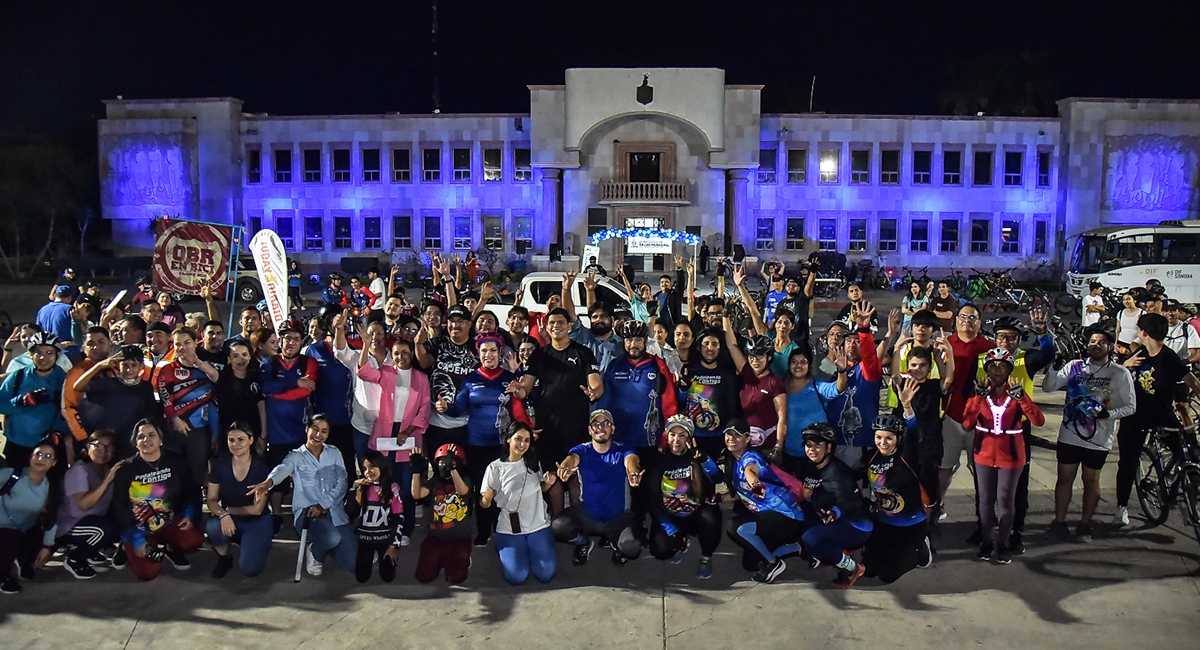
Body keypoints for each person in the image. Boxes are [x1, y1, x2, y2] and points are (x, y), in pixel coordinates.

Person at [1043, 327, 1135, 542]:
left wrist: (1107, 414)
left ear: (1110, 346)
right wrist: (1054, 368)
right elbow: (1048, 388)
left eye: (1100, 342)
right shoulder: (1074, 367)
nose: (1095, 345)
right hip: (1069, 435)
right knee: (1064, 479)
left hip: (1099, 439)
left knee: (1090, 480)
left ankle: (1085, 524)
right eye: (1092, 341)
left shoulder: (1120, 373)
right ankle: (1059, 521)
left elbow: (1131, 406)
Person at [438, 335, 529, 547]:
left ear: (500, 353)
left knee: (504, 488)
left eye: (493, 351)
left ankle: (502, 526)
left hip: (503, 445)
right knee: (482, 488)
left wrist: (519, 385)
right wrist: (445, 407)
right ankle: (483, 529)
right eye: (484, 351)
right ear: (479, 354)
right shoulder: (471, 380)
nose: (489, 355)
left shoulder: (509, 377)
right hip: (477, 444)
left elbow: (522, 399)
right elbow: (458, 408)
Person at [1112, 313, 1200, 526]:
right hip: (1135, 416)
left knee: (1187, 453)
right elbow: (1114, 379)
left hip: (1162, 414)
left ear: (1143, 332)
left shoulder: (1168, 357)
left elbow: (1192, 382)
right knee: (1128, 462)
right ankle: (1121, 507)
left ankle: (1188, 494)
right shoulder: (1138, 354)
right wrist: (1126, 365)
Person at [960, 348, 1045, 564]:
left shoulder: (1016, 391)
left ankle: (1003, 543)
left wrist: (1022, 397)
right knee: (986, 501)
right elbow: (967, 424)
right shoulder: (980, 390)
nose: (998, 369)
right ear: (987, 368)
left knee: (1006, 500)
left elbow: (1038, 420)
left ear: (1009, 369)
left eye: (1003, 365)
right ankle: (987, 541)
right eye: (993, 365)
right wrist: (978, 398)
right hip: (984, 453)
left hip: (1011, 455)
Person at [517, 307, 602, 513]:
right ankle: (557, 522)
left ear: (569, 326)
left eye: (560, 322)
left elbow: (596, 384)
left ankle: (577, 522)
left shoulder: (583, 352)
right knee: (552, 478)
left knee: (574, 480)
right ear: (546, 327)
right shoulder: (539, 356)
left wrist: (595, 392)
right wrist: (517, 390)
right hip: (548, 428)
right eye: (552, 323)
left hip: (576, 427)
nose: (556, 326)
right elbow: (525, 390)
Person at [249, 415, 356, 576]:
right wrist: (269, 482)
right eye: (315, 429)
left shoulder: (334, 453)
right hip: (308, 515)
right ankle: (315, 552)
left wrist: (324, 504)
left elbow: (342, 483)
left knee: (351, 564)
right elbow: (283, 468)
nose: (318, 435)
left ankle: (330, 546)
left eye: (324, 431)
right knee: (332, 537)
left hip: (335, 513)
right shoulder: (296, 456)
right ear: (307, 429)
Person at [355, 335, 429, 544]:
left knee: (406, 486)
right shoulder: (386, 372)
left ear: (411, 354)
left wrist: (407, 431)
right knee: (384, 484)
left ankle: (405, 529)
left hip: (409, 435)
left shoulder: (421, 378)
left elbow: (424, 409)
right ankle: (383, 526)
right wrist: (366, 346)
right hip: (385, 434)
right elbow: (363, 372)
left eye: (405, 352)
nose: (400, 356)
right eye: (396, 353)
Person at [114, 420, 204, 581]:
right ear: (135, 442)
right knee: (149, 573)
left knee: (194, 540)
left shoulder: (176, 461)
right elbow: (119, 507)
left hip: (169, 522)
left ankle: (172, 549)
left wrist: (189, 515)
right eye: (141, 437)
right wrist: (136, 539)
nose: (146, 440)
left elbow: (191, 491)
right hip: (139, 530)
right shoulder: (126, 469)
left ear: (161, 440)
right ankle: (126, 547)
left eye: (151, 435)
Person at [552, 409, 644, 566]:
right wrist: (565, 468)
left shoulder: (623, 449)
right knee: (558, 526)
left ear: (613, 429)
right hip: (587, 514)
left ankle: (616, 544)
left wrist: (633, 473)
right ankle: (583, 543)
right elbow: (571, 459)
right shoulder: (582, 449)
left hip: (617, 518)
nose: (600, 427)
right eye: (596, 424)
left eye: (606, 423)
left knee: (632, 548)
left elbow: (632, 462)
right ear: (590, 430)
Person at [724, 419, 805, 584]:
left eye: (737, 435)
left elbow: (750, 471)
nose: (731, 439)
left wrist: (756, 484)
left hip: (786, 516)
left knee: (736, 527)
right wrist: (717, 498)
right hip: (769, 518)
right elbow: (741, 494)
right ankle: (799, 547)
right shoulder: (733, 461)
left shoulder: (750, 457)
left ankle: (773, 563)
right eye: (728, 434)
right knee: (750, 563)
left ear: (747, 439)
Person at [794, 424, 873, 588]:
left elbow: (849, 501)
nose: (812, 450)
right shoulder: (808, 465)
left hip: (855, 525)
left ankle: (853, 568)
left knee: (810, 539)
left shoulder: (836, 472)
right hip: (829, 517)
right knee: (796, 516)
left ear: (829, 447)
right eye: (809, 445)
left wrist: (835, 512)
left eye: (818, 445)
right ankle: (834, 552)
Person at [480, 422, 558, 585]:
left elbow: (541, 489)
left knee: (546, 574)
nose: (522, 444)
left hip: (538, 525)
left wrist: (548, 484)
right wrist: (487, 497)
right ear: (508, 439)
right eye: (518, 439)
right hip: (509, 529)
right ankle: (512, 551)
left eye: (527, 440)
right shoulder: (495, 467)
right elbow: (484, 504)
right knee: (516, 577)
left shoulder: (534, 462)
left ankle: (533, 551)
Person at [647, 415, 723, 578]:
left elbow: (718, 478)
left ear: (689, 438)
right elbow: (652, 499)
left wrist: (704, 460)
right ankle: (680, 541)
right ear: (667, 436)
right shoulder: (659, 461)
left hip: (696, 514)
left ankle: (706, 557)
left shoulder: (696, 456)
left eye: (682, 435)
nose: (677, 439)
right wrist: (670, 529)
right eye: (673, 434)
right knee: (660, 550)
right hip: (671, 514)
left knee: (712, 518)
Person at [863, 414, 933, 584]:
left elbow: (916, 431)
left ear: (899, 438)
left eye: (889, 438)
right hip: (884, 522)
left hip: (911, 524)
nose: (883, 442)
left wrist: (908, 409)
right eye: (879, 437)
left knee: (887, 575)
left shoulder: (907, 456)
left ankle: (920, 549)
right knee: (869, 570)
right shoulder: (872, 457)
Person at [939, 303, 994, 509]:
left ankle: (985, 510)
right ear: (956, 320)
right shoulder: (946, 344)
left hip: (981, 420)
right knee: (944, 466)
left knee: (980, 468)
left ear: (979, 322)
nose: (966, 321)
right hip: (951, 417)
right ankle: (939, 505)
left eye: (972, 318)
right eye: (963, 316)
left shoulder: (989, 348)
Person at [157, 327, 220, 492]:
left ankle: (194, 515)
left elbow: (216, 383)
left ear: (195, 343)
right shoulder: (168, 369)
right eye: (178, 344)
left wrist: (214, 433)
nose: (183, 347)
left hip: (199, 431)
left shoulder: (205, 368)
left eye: (187, 343)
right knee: (172, 477)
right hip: (174, 430)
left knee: (196, 478)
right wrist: (175, 419)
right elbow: (166, 399)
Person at [206, 423, 272, 578]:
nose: (235, 444)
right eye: (231, 440)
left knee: (250, 569)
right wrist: (223, 515)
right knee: (213, 526)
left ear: (250, 440)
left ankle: (253, 541)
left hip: (257, 521)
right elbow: (211, 499)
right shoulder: (220, 464)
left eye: (240, 439)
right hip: (232, 518)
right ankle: (224, 557)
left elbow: (257, 509)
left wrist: (228, 511)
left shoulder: (261, 468)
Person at [72, 345, 159, 460]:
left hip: (132, 442)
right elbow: (78, 386)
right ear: (118, 365)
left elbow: (150, 414)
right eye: (125, 365)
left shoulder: (146, 387)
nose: (129, 370)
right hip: (109, 442)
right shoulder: (107, 384)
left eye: (134, 365)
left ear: (141, 366)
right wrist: (99, 366)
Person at [55, 430, 121, 580]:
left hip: (93, 522)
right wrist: (107, 481)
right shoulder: (79, 470)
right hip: (71, 524)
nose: (102, 451)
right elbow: (84, 505)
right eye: (97, 446)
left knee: (120, 524)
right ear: (87, 447)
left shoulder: (108, 470)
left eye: (108, 447)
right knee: (104, 530)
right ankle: (75, 559)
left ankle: (92, 550)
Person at [0, 438, 61, 594]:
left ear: (54, 462)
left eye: (48, 456)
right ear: (30, 457)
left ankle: (24, 560)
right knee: (10, 539)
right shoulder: (10, 476)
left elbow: (51, 518)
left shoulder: (51, 486)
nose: (41, 459)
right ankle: (2, 575)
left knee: (40, 539)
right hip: (4, 529)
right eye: (38, 454)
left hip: (25, 529)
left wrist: (47, 546)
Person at [0, 332, 68, 470]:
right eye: (37, 353)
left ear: (57, 355)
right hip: (18, 444)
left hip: (49, 446)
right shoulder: (17, 377)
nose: (43, 357)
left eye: (49, 352)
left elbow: (72, 411)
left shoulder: (65, 380)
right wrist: (20, 402)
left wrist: (59, 432)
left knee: (52, 488)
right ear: (30, 355)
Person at [410, 444, 473, 584]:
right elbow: (417, 494)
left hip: (459, 537)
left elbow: (463, 491)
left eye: (449, 462)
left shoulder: (465, 480)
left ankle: (457, 558)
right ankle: (443, 559)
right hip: (436, 536)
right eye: (441, 462)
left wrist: (453, 471)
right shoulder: (434, 482)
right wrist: (416, 472)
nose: (444, 465)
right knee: (424, 576)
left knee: (456, 578)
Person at [779, 345, 847, 471]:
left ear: (809, 366)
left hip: (815, 456)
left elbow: (838, 388)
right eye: (794, 362)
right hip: (788, 454)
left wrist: (842, 371)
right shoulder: (780, 387)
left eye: (803, 362)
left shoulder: (817, 386)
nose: (798, 365)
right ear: (789, 365)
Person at [304, 315, 356, 477]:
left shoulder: (354, 347)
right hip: (321, 417)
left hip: (347, 418)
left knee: (347, 462)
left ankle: (350, 498)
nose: (343, 325)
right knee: (321, 464)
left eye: (346, 323)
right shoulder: (313, 350)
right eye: (338, 322)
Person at [351, 451, 404, 583]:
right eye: (365, 468)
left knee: (388, 577)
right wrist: (354, 490)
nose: (368, 471)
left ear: (382, 466)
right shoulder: (362, 488)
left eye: (372, 467)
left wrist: (393, 546)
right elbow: (350, 512)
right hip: (364, 539)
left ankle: (385, 557)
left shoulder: (392, 489)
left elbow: (399, 517)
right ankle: (368, 556)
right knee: (361, 578)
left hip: (384, 540)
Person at [731, 335, 786, 450]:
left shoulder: (774, 382)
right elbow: (731, 346)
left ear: (769, 357)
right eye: (751, 356)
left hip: (767, 445)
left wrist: (778, 447)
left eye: (760, 356)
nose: (755, 361)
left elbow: (782, 418)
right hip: (745, 444)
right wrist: (725, 317)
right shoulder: (746, 372)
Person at [566, 271, 624, 374]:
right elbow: (571, 314)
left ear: (612, 319)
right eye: (595, 317)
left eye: (603, 317)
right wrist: (566, 290)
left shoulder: (622, 344)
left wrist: (590, 291)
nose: (598, 320)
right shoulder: (583, 336)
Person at [1114, 291, 1144, 356]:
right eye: (1124, 300)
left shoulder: (1142, 313)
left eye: (1128, 299)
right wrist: (1115, 343)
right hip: (1121, 342)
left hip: (1136, 344)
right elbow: (1118, 330)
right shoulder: (1120, 313)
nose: (1126, 302)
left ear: (1135, 300)